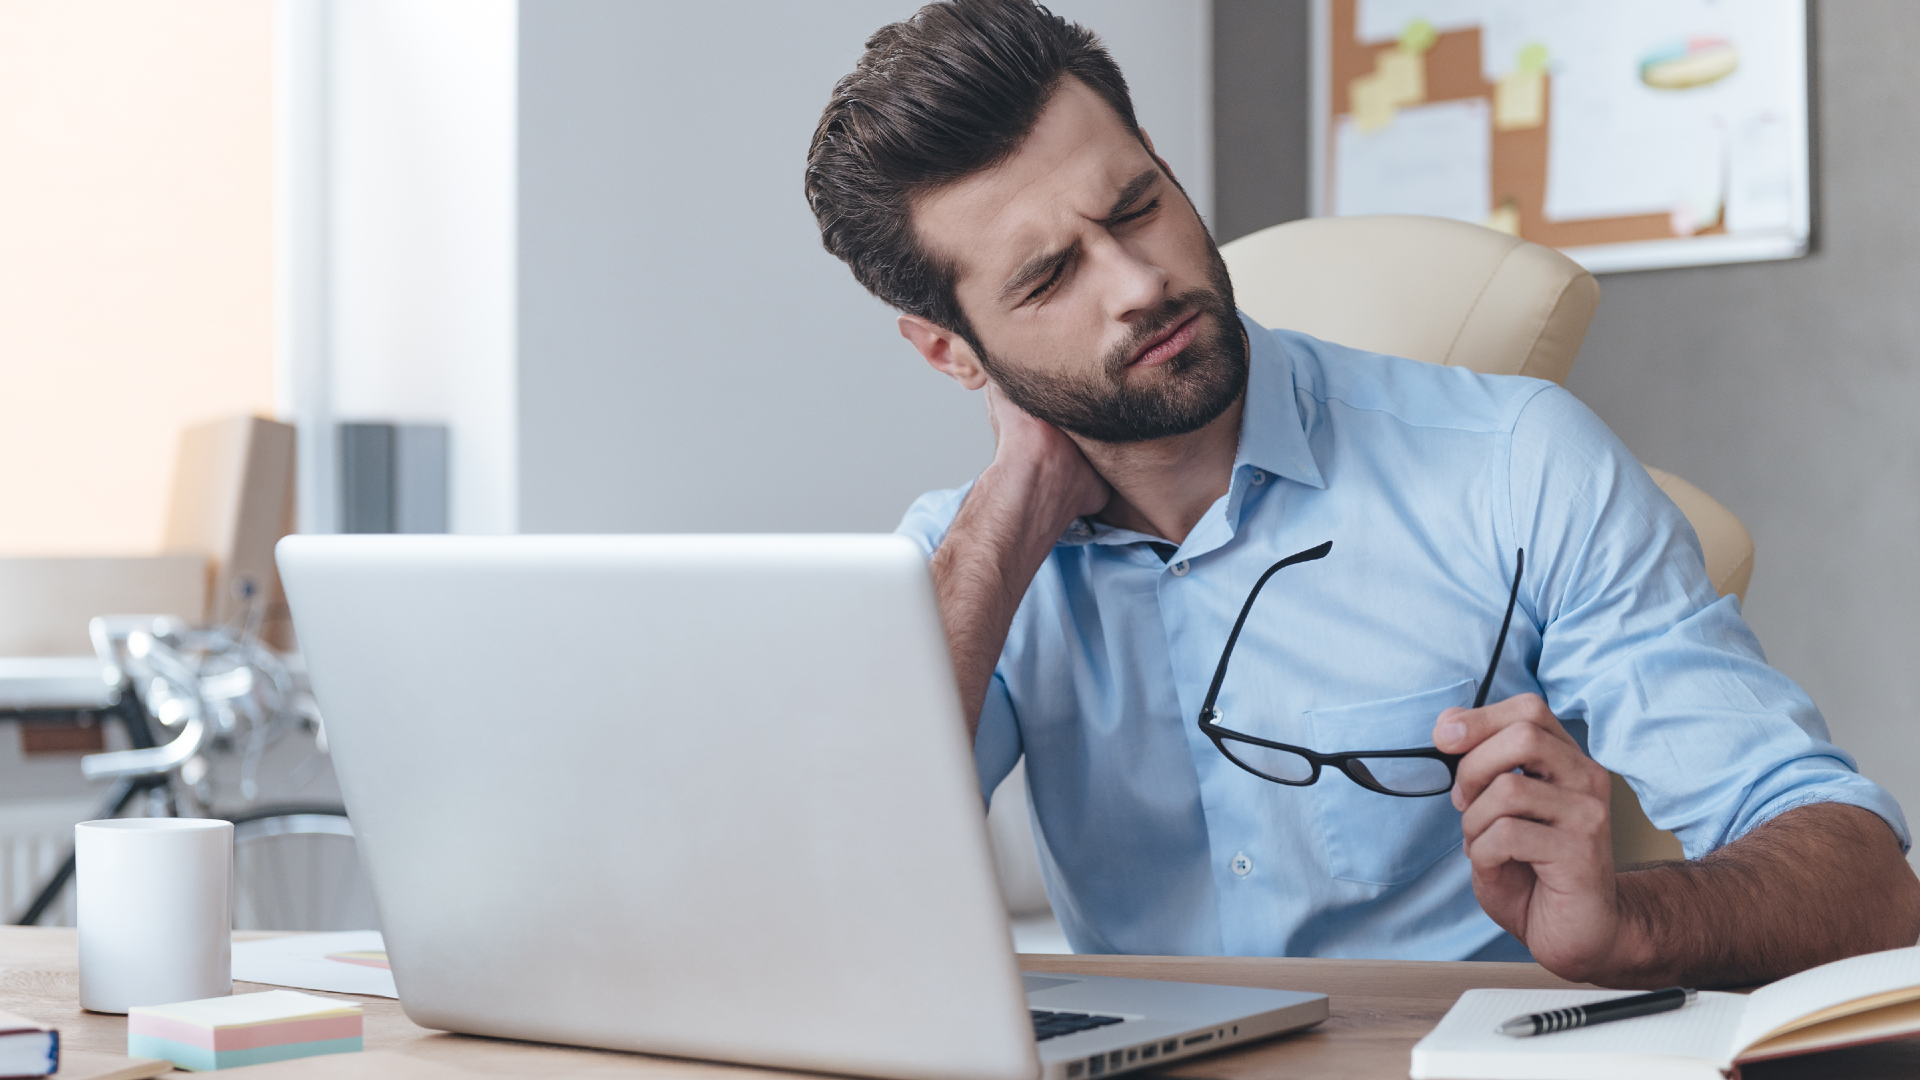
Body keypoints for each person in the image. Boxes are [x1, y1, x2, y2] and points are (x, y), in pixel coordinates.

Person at [804, 0, 1920, 988]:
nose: (1141, 285)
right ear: (953, 354)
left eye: (1138, 205)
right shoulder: (965, 566)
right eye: (1049, 277)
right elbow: (830, 899)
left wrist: (1630, 922)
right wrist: (1005, 519)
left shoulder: (1518, 464)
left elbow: (1868, 882)